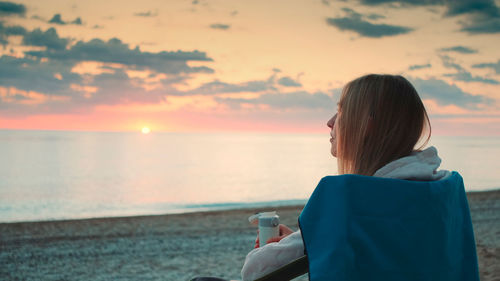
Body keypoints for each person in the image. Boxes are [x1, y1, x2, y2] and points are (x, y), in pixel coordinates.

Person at [240, 74, 451, 281]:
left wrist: (306, 240)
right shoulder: (438, 189)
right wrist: (315, 241)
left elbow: (254, 271)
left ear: (367, 125)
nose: (330, 122)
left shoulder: (350, 198)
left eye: (341, 111)